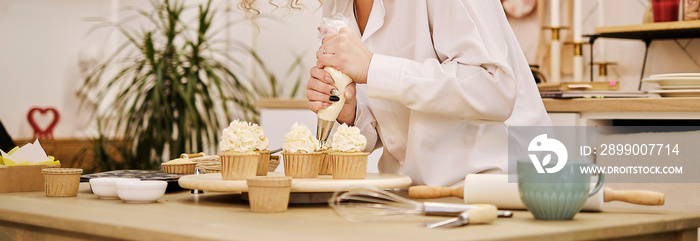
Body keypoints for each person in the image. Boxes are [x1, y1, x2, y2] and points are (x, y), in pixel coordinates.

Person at [242, 0, 552, 186]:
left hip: (500, 188)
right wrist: (351, 110)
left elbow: (494, 89)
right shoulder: (338, 5)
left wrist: (374, 68)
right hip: (415, 192)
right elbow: (390, 128)